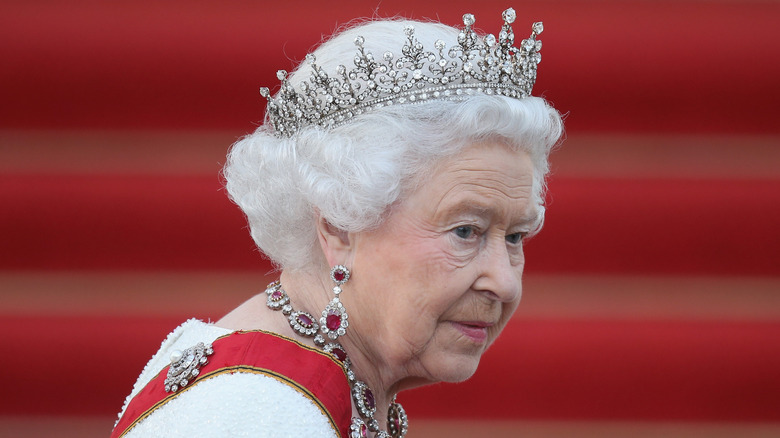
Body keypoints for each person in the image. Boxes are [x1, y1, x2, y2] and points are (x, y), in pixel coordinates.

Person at [111, 7, 562, 438]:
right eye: (465, 231)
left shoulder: (316, 387)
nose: (504, 283)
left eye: (517, 236)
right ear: (339, 224)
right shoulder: (261, 412)